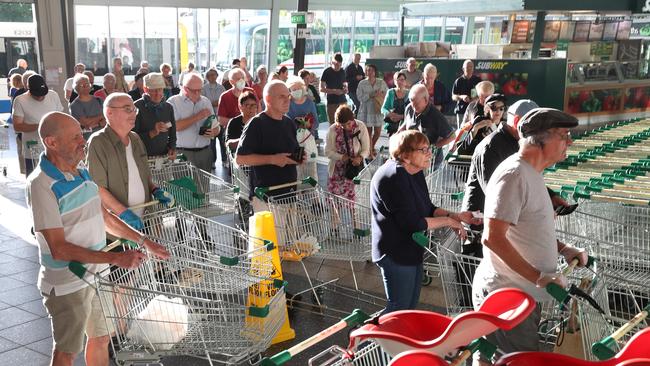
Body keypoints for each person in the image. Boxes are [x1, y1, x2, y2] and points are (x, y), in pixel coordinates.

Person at [26, 111, 170, 366]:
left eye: (80, 135)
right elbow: (58, 249)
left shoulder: (80, 170)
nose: (82, 141)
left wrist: (143, 241)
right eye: (74, 138)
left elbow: (104, 217)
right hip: (68, 282)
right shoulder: (41, 184)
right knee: (67, 351)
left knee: (102, 337)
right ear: (52, 142)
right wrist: (116, 257)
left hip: (97, 275)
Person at [472, 108, 587, 364]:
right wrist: (539, 278)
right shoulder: (514, 175)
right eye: (564, 135)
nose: (570, 141)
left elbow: (524, 231)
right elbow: (493, 238)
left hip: (519, 295)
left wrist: (563, 248)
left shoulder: (531, 174)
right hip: (508, 296)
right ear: (540, 139)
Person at [371, 130, 479, 314]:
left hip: (409, 248)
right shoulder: (393, 177)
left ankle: (392, 341)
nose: (429, 153)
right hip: (394, 251)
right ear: (405, 155)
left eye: (429, 148)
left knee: (409, 306)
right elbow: (412, 223)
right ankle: (365, 339)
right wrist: (447, 221)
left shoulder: (414, 171)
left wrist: (456, 216)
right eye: (423, 150)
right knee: (398, 307)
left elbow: (427, 208)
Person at [87, 93, 175, 231]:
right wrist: (123, 213)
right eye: (128, 109)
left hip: (146, 218)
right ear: (109, 112)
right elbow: (98, 188)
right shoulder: (98, 142)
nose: (134, 114)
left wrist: (155, 189)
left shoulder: (135, 138)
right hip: (118, 226)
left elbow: (144, 176)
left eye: (135, 110)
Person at [236, 80, 303, 212]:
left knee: (290, 233)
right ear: (268, 99)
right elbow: (240, 158)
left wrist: (300, 157)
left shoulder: (289, 122)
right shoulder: (256, 123)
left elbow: (293, 152)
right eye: (281, 96)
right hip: (265, 195)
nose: (287, 100)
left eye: (288, 96)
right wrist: (272, 159)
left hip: (289, 193)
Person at [12, 74, 64, 176]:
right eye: (37, 94)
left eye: (43, 94)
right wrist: (41, 126)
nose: (40, 97)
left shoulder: (53, 95)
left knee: (57, 176)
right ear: (28, 88)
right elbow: (17, 126)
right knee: (34, 177)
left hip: (54, 146)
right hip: (33, 147)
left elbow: (60, 117)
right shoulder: (20, 100)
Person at [167, 74, 219, 171]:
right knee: (185, 186)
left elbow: (216, 126)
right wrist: (197, 116)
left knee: (204, 186)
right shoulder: (173, 102)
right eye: (194, 91)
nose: (198, 93)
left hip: (205, 152)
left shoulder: (205, 102)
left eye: (200, 90)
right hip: (183, 153)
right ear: (185, 88)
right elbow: (174, 127)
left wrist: (214, 132)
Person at [399, 84, 455, 169]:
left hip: (430, 161)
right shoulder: (409, 108)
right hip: (412, 157)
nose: (413, 107)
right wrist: (398, 133)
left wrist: (434, 147)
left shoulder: (436, 116)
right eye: (411, 102)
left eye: (416, 104)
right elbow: (406, 123)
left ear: (426, 100)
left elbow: (452, 136)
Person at [325, 105, 370, 201]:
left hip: (354, 169)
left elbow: (366, 149)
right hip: (337, 171)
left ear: (352, 118)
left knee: (354, 201)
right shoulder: (332, 130)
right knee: (334, 200)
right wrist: (341, 157)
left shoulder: (360, 126)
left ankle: (354, 216)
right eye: (342, 125)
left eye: (348, 124)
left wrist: (360, 157)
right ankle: (335, 216)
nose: (346, 127)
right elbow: (328, 152)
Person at [217, 68, 256, 168]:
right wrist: (240, 120)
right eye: (238, 78)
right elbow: (221, 119)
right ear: (231, 82)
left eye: (242, 78)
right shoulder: (225, 96)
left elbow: (258, 111)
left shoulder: (251, 92)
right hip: (234, 132)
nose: (241, 80)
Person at [133, 72, 177, 159]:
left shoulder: (168, 107)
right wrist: (152, 132)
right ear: (145, 89)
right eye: (153, 90)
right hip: (143, 158)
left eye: (160, 89)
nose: (157, 94)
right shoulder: (136, 107)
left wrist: (172, 148)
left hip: (164, 158)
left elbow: (172, 132)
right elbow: (132, 138)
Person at [287, 77, 320, 181]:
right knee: (296, 173)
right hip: (293, 142)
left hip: (308, 141)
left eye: (298, 88)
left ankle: (312, 194)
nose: (296, 91)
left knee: (311, 173)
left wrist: (308, 124)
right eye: (293, 89)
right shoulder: (288, 103)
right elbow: (286, 122)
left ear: (303, 88)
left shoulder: (310, 103)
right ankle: (296, 195)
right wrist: (298, 124)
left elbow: (316, 123)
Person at [356, 64, 388, 158]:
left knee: (378, 132)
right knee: (368, 132)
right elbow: (359, 97)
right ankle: (369, 152)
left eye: (371, 70)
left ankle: (371, 147)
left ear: (375, 72)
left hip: (377, 109)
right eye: (367, 70)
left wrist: (380, 94)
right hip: (366, 110)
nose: (369, 72)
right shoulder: (362, 83)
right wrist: (370, 95)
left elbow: (386, 94)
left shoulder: (381, 82)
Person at [69, 74, 106, 140]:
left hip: (104, 136)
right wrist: (100, 119)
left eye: (87, 84)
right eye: (82, 85)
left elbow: (107, 118)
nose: (85, 87)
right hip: (87, 139)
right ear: (76, 87)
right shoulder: (75, 105)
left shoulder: (99, 100)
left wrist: (94, 123)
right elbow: (86, 123)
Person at [203, 68, 227, 166]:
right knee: (211, 142)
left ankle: (224, 160)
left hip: (220, 116)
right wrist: (214, 103)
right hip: (209, 118)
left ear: (217, 76)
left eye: (214, 75)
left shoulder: (221, 88)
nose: (212, 77)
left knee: (222, 140)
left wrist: (214, 103)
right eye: (210, 75)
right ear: (207, 77)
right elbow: (204, 102)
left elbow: (223, 102)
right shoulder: (203, 88)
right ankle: (212, 161)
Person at [452, 59, 482, 128]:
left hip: (474, 110)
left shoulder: (477, 80)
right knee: (462, 131)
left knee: (473, 129)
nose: (469, 69)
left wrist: (476, 99)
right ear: (463, 69)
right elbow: (453, 96)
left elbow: (482, 94)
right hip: (462, 111)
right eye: (467, 67)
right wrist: (462, 97)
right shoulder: (458, 81)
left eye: (471, 67)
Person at [320, 53, 348, 125]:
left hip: (342, 101)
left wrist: (345, 89)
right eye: (336, 65)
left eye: (339, 65)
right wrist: (333, 91)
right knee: (333, 124)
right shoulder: (327, 72)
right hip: (332, 103)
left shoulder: (342, 71)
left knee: (345, 123)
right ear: (332, 62)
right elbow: (321, 89)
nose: (338, 67)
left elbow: (345, 84)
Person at [381, 71, 409, 137]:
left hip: (405, 124)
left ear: (405, 81)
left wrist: (401, 116)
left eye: (402, 79)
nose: (400, 82)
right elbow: (383, 108)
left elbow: (413, 111)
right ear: (394, 81)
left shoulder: (410, 93)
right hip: (392, 124)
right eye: (397, 79)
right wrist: (390, 114)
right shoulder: (390, 92)